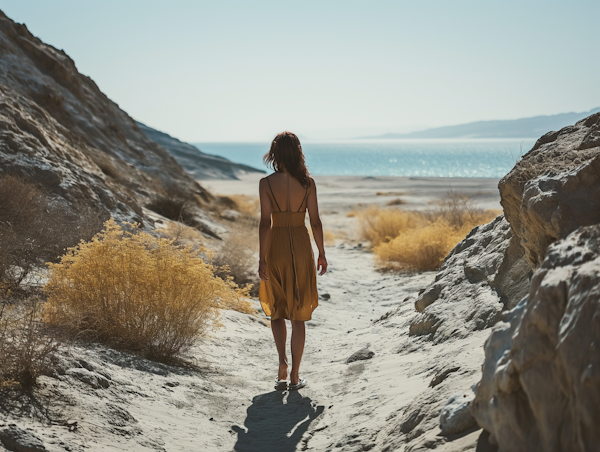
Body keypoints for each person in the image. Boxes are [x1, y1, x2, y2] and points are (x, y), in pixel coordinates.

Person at [258, 131, 327, 391]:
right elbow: (316, 221)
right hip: (300, 246)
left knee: (277, 310)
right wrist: (321, 252)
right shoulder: (308, 183)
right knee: (298, 315)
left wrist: (262, 258)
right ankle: (296, 376)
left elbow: (265, 223)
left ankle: (282, 365)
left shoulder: (266, 183)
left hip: (275, 246)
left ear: (275, 153)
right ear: (297, 152)